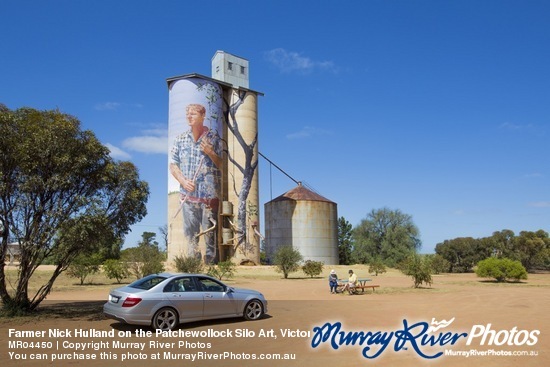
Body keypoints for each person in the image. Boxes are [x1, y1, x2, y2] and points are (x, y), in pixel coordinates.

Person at [170, 103, 222, 264]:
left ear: (202, 116)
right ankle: (192, 267)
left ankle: (211, 267)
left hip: (208, 198)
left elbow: (223, 164)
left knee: (210, 235)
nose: (189, 116)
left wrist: (211, 152)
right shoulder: (180, 139)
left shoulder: (213, 138)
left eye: (193, 114)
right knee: (190, 235)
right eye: (188, 114)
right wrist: (183, 181)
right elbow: (173, 165)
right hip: (188, 197)